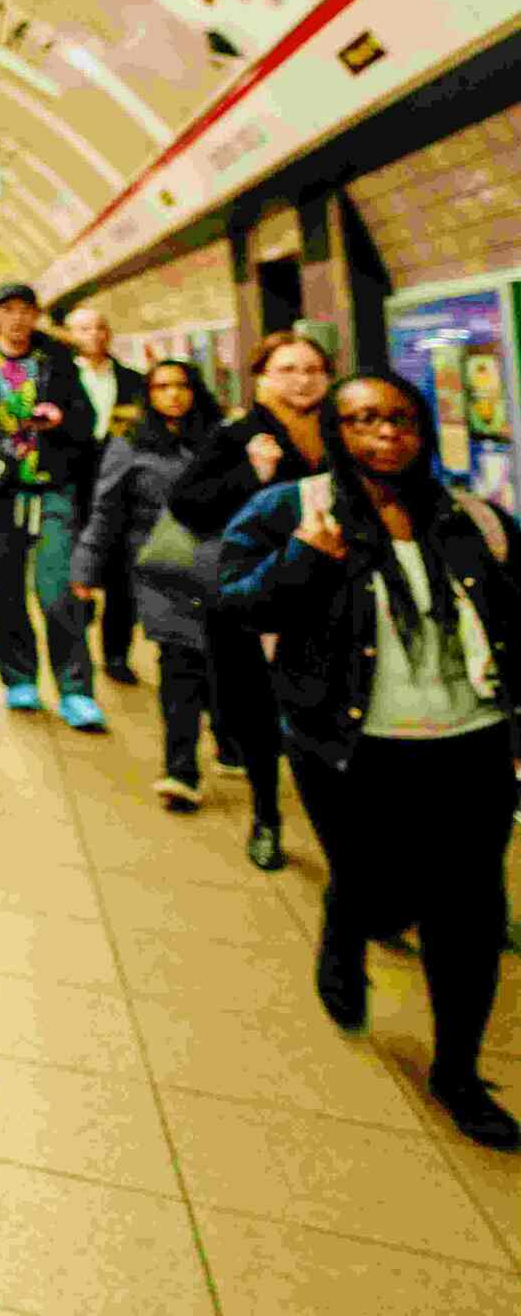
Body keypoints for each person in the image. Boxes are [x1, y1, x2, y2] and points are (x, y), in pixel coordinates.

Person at [215, 372, 520, 1150]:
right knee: (377, 888)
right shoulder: (295, 507)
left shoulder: (471, 515)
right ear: (336, 431)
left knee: (468, 913)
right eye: (362, 420)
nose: (385, 433)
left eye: (400, 418)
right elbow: (236, 604)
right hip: (349, 747)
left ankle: (457, 1070)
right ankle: (347, 923)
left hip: (471, 743)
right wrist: (304, 560)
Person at [167, 330, 333, 871]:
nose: (302, 380)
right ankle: (267, 816)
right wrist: (252, 474)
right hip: (251, 595)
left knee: (330, 708)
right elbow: (188, 505)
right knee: (257, 712)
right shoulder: (237, 434)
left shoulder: (342, 430)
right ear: (262, 378)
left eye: (312, 369)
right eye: (287, 369)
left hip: (330, 596)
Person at [0, 283, 107, 730]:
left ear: (36, 315)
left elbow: (86, 420)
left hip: (51, 486)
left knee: (57, 592)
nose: (18, 319)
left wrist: (62, 419)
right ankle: (19, 678)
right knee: (4, 588)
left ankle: (75, 690)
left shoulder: (57, 359)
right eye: (8, 310)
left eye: (26, 310)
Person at [72, 361, 225, 811]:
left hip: (217, 562)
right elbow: (105, 511)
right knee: (179, 661)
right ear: (150, 395)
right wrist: (86, 569)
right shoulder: (130, 444)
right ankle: (181, 771)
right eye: (162, 387)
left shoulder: (221, 440)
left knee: (217, 659)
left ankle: (228, 737)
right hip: (159, 568)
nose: (173, 395)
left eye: (181, 386)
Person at [63, 306, 150, 684]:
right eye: (84, 328)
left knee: (121, 576)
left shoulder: (133, 381)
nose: (94, 335)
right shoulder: (58, 378)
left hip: (121, 488)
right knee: (74, 567)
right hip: (71, 486)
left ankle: (116, 655)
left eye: (100, 327)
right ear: (70, 335)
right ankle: (75, 639)